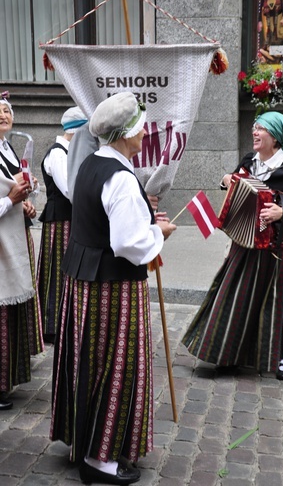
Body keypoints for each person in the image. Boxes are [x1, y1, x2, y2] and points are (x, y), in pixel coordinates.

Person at [50, 92, 177, 485]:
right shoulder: (120, 176)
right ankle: (100, 460)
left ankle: (84, 443)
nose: (144, 135)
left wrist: (144, 220)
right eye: (140, 128)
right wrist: (159, 231)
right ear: (125, 135)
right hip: (113, 287)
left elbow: (107, 222)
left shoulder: (91, 163)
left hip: (86, 281)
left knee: (88, 361)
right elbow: (127, 243)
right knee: (114, 365)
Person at [182, 111, 283, 380]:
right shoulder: (249, 161)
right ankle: (229, 354)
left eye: (261, 129)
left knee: (278, 301)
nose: (254, 132)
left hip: (277, 247)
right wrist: (225, 180)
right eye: (254, 127)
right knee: (234, 296)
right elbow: (233, 181)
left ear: (275, 137)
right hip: (244, 241)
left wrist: (281, 213)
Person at [36, 106, 88, 344]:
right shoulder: (58, 154)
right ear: (76, 132)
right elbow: (69, 189)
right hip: (59, 222)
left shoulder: (71, 153)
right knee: (58, 270)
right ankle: (52, 325)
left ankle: (67, 322)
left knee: (69, 269)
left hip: (71, 220)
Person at [0, 98, 37, 410]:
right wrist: (12, 200)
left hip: (8, 241)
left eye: (7, 110)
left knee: (8, 317)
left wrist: (23, 201)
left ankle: (6, 379)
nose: (3, 114)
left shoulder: (7, 148)